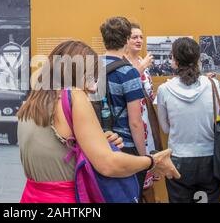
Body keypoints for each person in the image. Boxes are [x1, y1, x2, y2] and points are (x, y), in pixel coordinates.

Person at [17, 40, 180, 203]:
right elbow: (108, 165)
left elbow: (55, 152)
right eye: (90, 76)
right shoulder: (73, 95)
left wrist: (100, 142)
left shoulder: (31, 103)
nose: (93, 87)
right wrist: (152, 161)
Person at [157, 37, 220, 203]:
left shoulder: (164, 89)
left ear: (175, 59)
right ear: (198, 58)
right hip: (209, 157)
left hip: (178, 159)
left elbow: (165, 128)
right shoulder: (213, 84)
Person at [99, 17, 152, 197]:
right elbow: (135, 122)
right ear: (126, 39)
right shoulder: (129, 72)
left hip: (96, 143)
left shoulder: (90, 67)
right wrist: (144, 158)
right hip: (124, 146)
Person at [123, 22, 157, 195]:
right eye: (135, 37)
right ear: (126, 40)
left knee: (147, 182)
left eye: (141, 37)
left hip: (146, 123)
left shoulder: (140, 60)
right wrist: (140, 69)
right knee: (133, 178)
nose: (139, 40)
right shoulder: (124, 63)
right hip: (131, 124)